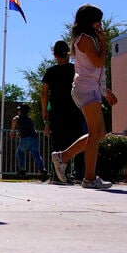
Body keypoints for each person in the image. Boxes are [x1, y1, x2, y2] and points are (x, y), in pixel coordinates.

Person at [50, 4, 118, 190]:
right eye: (98, 21)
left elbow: (93, 69)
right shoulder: (86, 39)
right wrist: (104, 43)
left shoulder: (86, 38)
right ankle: (89, 178)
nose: (100, 25)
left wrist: (105, 91)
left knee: (100, 133)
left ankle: (62, 157)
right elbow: (97, 62)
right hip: (85, 88)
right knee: (96, 132)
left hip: (90, 87)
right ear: (89, 21)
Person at [42, 40, 86, 183]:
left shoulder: (50, 72)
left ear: (54, 55)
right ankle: (79, 174)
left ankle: (57, 176)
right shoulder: (75, 69)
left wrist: (45, 113)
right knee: (79, 140)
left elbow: (44, 94)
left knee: (59, 142)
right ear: (69, 54)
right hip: (74, 110)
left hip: (56, 111)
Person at [11, 104, 44, 178]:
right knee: (36, 155)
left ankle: (22, 169)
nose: (18, 112)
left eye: (18, 110)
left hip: (25, 138)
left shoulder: (19, 117)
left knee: (20, 152)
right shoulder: (29, 119)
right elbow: (29, 128)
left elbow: (14, 120)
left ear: (21, 111)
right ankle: (43, 170)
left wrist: (12, 131)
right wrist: (19, 132)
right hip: (34, 138)